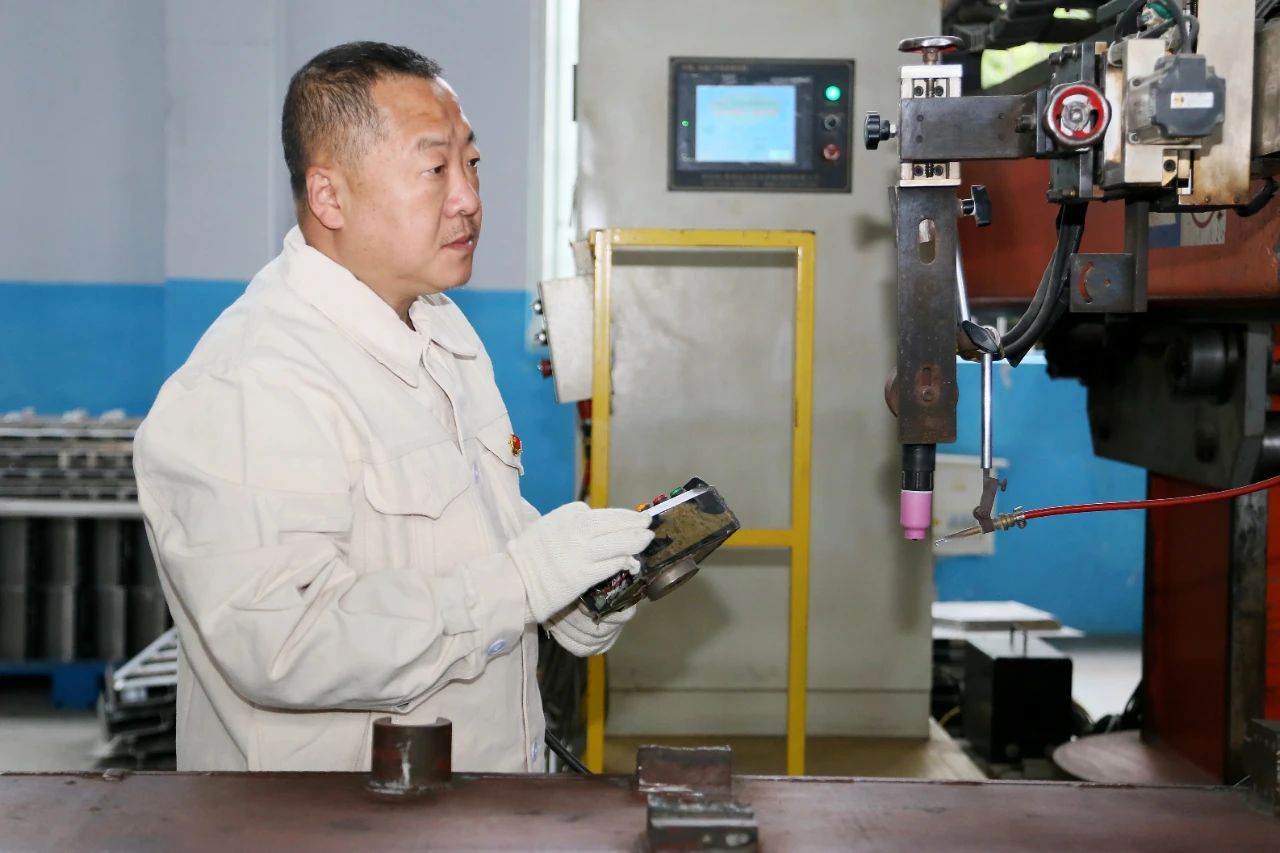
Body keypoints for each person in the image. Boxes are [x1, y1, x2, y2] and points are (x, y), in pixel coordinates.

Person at [133, 41, 652, 772]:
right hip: (332, 816)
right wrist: (517, 585)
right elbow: (286, 644)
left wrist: (564, 593)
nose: (468, 197)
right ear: (329, 197)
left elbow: (467, 530)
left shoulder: (440, 329)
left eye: (472, 163)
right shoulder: (252, 381)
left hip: (469, 798)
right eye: (435, 168)